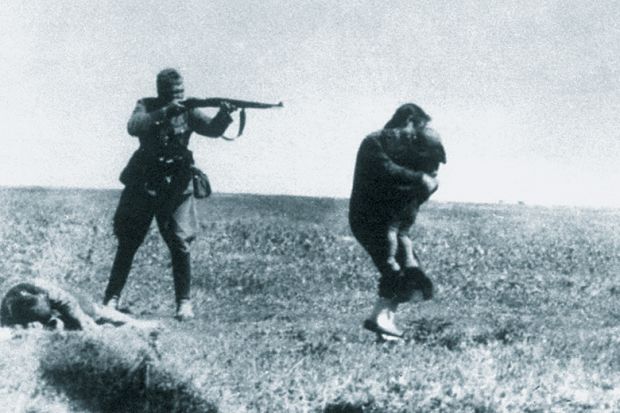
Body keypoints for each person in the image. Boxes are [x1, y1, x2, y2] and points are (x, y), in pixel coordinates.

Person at [103, 68, 236, 321]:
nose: (178, 97)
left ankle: (183, 303)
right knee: (128, 241)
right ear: (161, 92)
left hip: (176, 183)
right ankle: (112, 299)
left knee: (180, 242)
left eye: (181, 92)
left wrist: (224, 115)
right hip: (143, 180)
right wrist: (164, 112)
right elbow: (133, 126)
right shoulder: (146, 105)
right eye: (173, 93)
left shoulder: (189, 110)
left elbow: (212, 129)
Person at [349, 103, 445, 340]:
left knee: (410, 273)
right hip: (373, 221)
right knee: (393, 269)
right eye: (419, 127)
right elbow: (386, 171)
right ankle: (380, 320)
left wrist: (425, 179)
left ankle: (385, 324)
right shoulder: (374, 143)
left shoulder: (403, 149)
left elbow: (420, 185)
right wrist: (420, 178)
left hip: (395, 225)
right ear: (410, 120)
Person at [1, 280, 158, 331]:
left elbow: (70, 303)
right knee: (61, 326)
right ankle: (56, 322)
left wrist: (83, 321)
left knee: (93, 312)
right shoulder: (8, 308)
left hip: (64, 298)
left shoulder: (47, 291)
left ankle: (135, 323)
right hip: (30, 312)